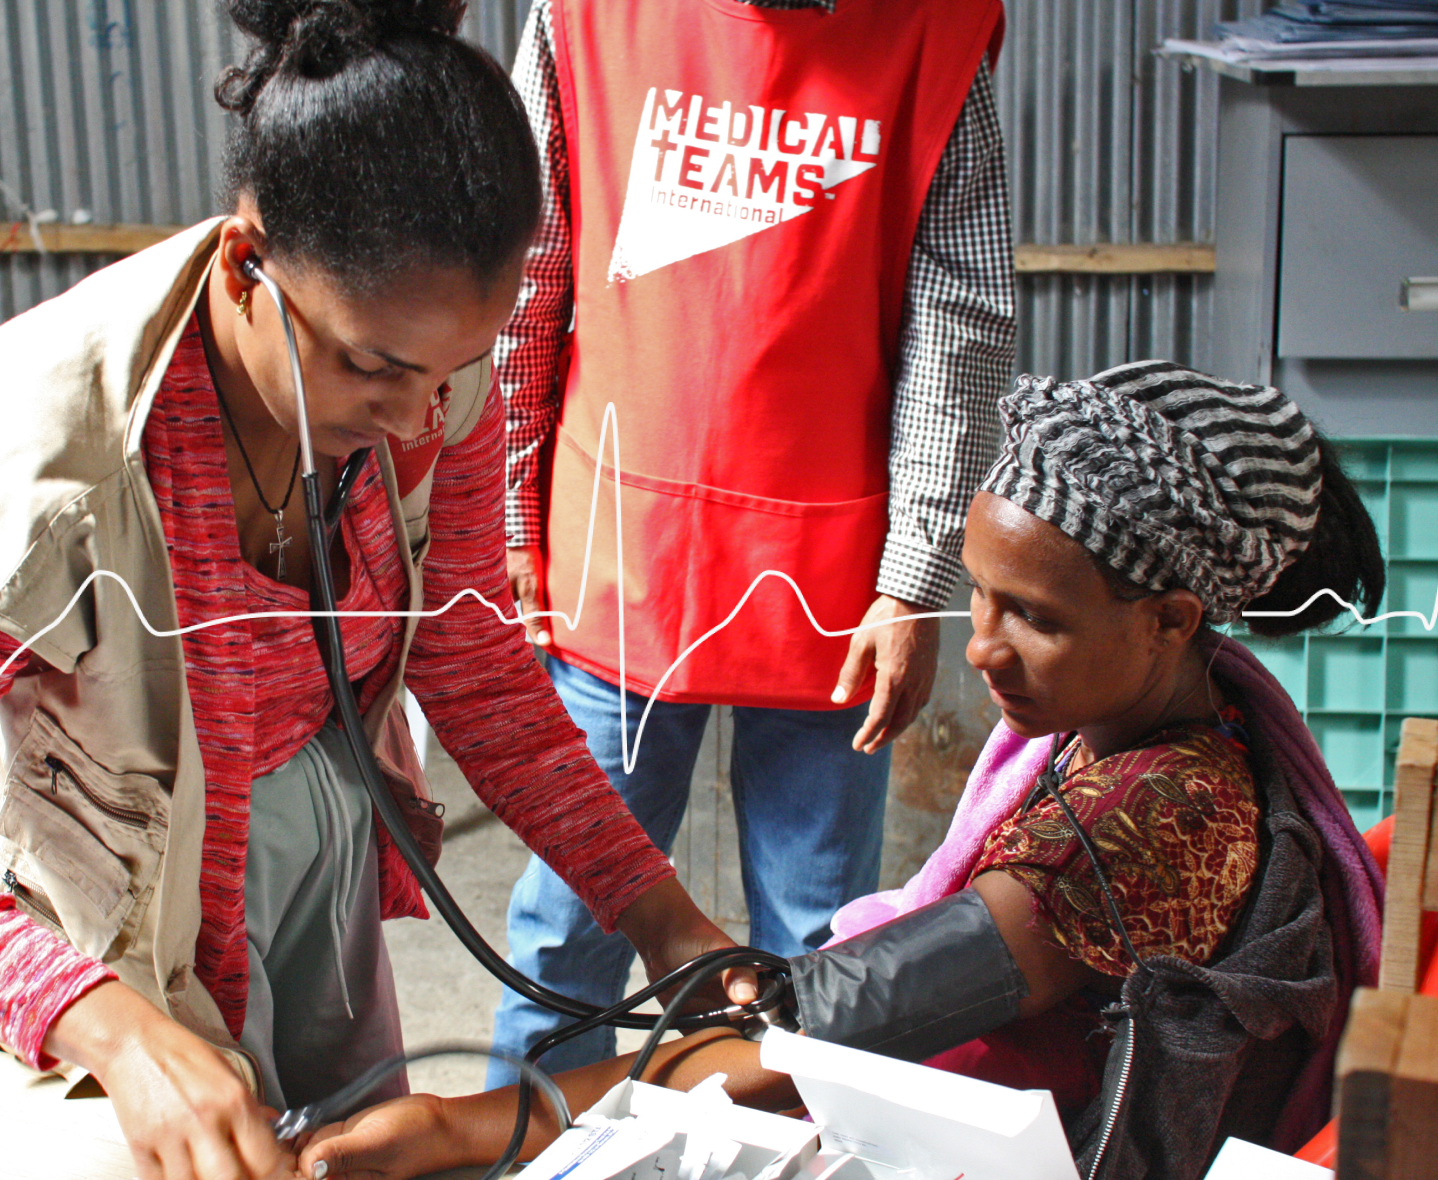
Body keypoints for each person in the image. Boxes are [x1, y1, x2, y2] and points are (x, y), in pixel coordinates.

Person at [298, 361, 1387, 1180]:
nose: (979, 647)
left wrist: (457, 1128)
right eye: (982, 595)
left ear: (1170, 620)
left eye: (1034, 618)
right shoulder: (1156, 731)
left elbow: (817, 1032)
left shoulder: (1143, 825)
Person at [0, 5, 749, 1179]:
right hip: (85, 896)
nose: (419, 421)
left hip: (311, 830)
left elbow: (475, 666)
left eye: (450, 372)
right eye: (373, 367)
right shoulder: (44, 459)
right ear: (247, 262)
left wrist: (662, 915)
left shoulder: (429, 381)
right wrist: (102, 1020)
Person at [490, 0, 1017, 1085]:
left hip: (834, 589)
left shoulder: (931, 32)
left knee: (818, 950)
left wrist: (909, 580)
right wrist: (506, 508)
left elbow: (958, 318)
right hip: (616, 555)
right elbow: (526, 275)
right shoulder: (587, 17)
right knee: (567, 931)